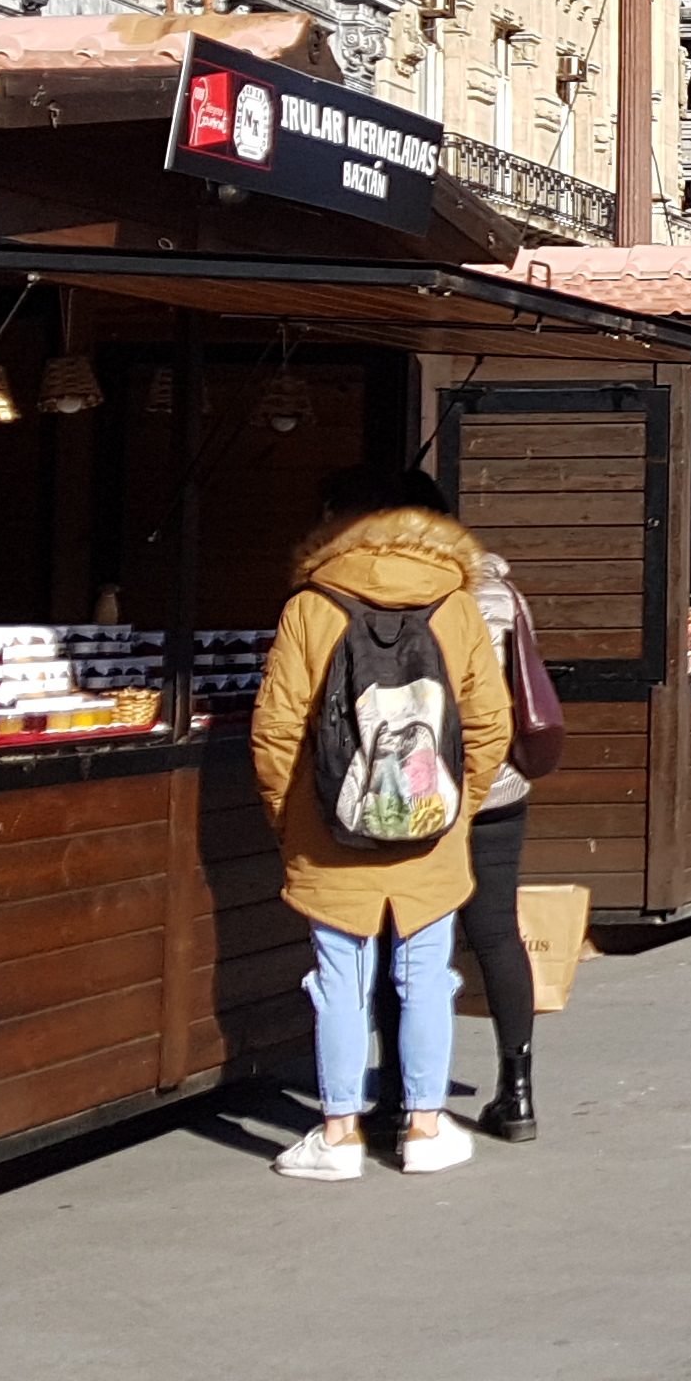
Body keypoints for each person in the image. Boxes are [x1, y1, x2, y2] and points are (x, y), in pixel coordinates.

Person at [254, 472, 512, 1180]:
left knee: (340, 977)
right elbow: (490, 723)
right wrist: (455, 807)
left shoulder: (311, 605)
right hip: (431, 825)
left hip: (328, 831)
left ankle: (339, 1135)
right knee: (427, 974)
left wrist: (293, 817)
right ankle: (425, 1129)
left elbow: (277, 731)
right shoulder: (456, 604)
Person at [447, 473, 547, 1142]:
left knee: (412, 938)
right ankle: (518, 1092)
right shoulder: (505, 594)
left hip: (419, 792)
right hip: (503, 784)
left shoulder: (421, 599)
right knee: (496, 932)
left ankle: (406, 1097)